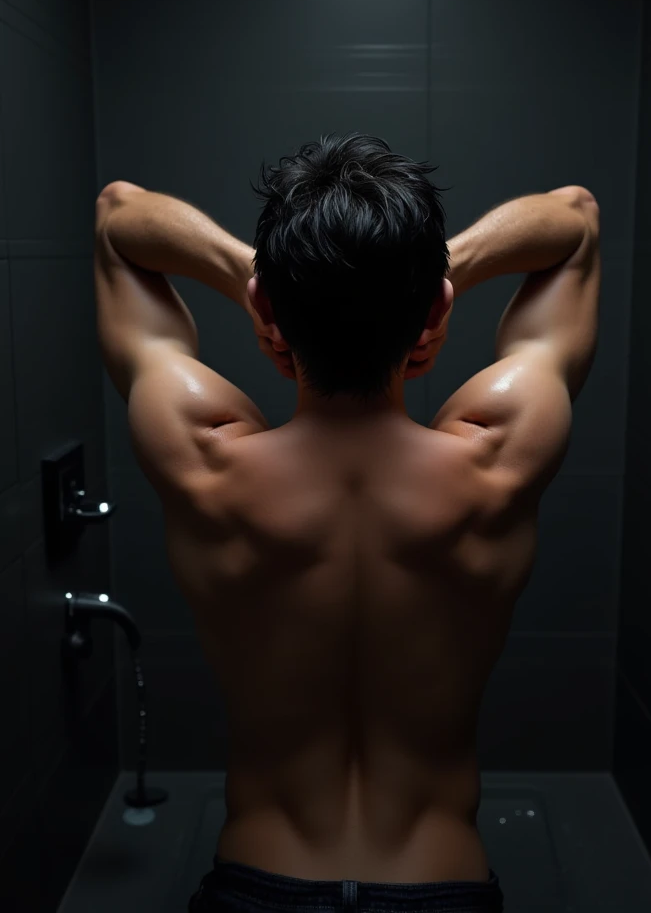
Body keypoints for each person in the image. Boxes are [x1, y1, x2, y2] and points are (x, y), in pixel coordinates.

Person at [94, 132, 600, 913]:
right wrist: (423, 286)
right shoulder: (497, 461)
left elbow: (118, 217)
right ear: (435, 309)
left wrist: (272, 285)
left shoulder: (206, 462)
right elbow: (574, 221)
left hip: (256, 884)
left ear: (267, 308)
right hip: (442, 886)